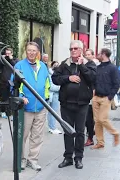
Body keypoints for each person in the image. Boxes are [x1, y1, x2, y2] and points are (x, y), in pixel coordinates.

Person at [52, 40, 96, 169]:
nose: (73, 51)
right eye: (71, 49)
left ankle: (78, 158)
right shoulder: (65, 64)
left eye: (76, 48)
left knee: (80, 132)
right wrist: (68, 78)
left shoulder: (89, 64)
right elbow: (55, 78)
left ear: (81, 50)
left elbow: (92, 78)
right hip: (66, 104)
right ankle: (68, 157)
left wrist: (82, 66)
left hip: (82, 104)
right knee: (67, 131)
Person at [11, 42, 50, 171]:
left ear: (37, 52)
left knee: (37, 136)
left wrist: (46, 98)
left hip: (40, 107)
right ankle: (21, 160)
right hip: (25, 109)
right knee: (22, 135)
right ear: (25, 51)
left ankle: (33, 160)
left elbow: (47, 83)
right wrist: (21, 96)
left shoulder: (43, 66)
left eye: (34, 50)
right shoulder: (19, 65)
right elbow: (13, 85)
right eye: (29, 50)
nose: (31, 53)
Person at [92, 48, 120, 150]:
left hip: (106, 98)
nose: (97, 55)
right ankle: (100, 142)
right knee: (97, 121)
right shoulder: (98, 67)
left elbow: (116, 83)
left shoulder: (113, 68)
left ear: (103, 54)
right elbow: (94, 81)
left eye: (99, 54)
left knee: (102, 119)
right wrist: (93, 90)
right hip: (96, 97)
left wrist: (110, 97)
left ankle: (115, 133)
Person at [0, 48, 18, 118]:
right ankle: (3, 111)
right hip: (3, 82)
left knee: (12, 98)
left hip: (12, 82)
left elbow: (15, 67)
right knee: (3, 97)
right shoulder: (3, 60)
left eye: (9, 54)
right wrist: (2, 59)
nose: (7, 55)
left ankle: (11, 112)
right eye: (6, 54)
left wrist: (11, 59)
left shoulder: (15, 60)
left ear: (12, 54)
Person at [84, 49, 99, 146]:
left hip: (92, 95)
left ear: (93, 55)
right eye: (86, 54)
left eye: (89, 54)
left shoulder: (94, 66)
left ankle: (90, 137)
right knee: (86, 118)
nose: (87, 56)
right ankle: (90, 132)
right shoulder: (84, 65)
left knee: (89, 118)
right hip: (84, 95)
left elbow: (95, 80)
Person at [47, 61, 62, 134]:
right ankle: (52, 127)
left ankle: (51, 127)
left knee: (52, 112)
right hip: (52, 95)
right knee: (53, 112)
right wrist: (61, 87)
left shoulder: (55, 74)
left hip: (54, 95)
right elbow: (51, 86)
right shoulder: (50, 74)